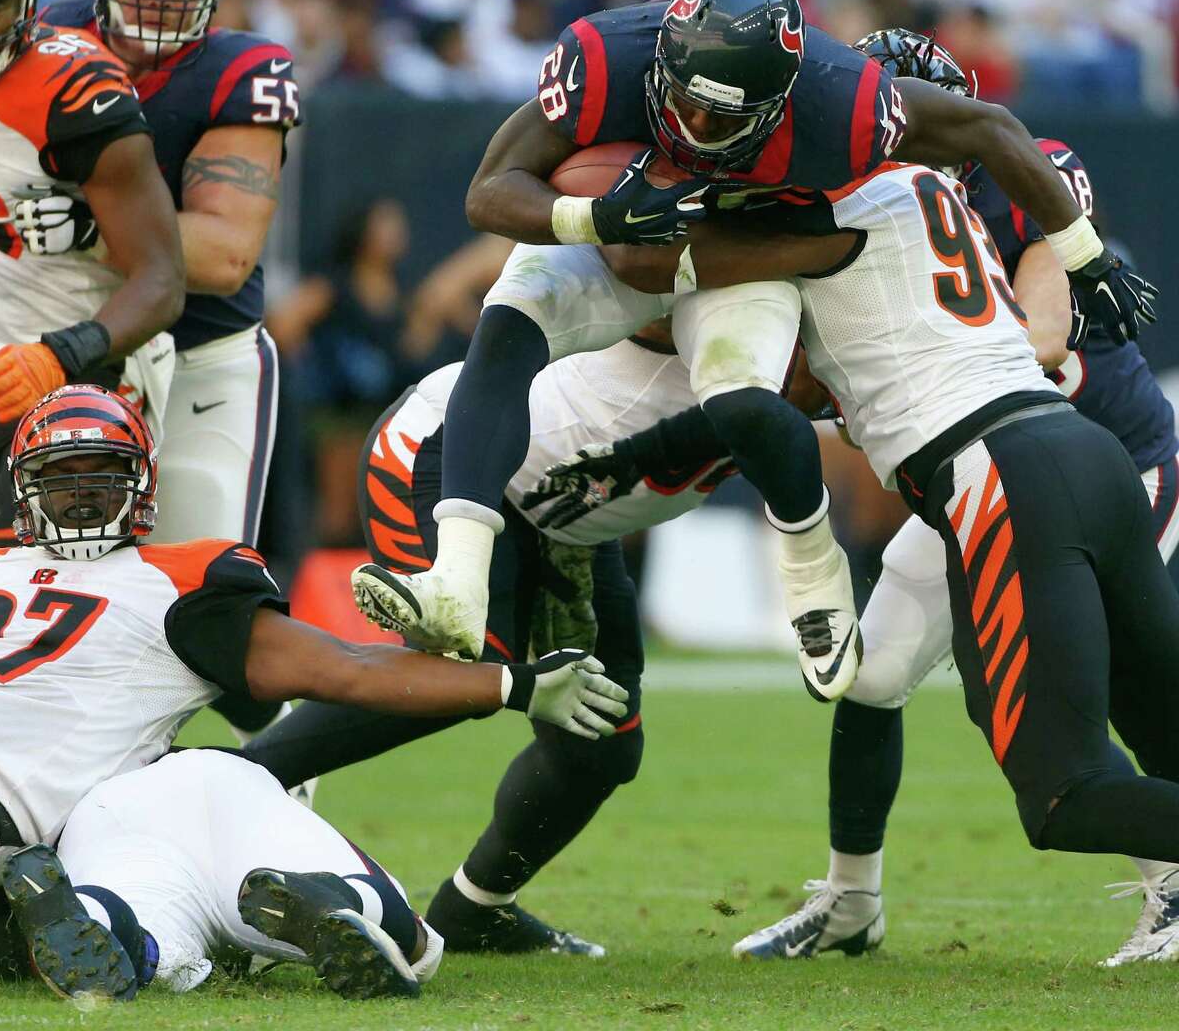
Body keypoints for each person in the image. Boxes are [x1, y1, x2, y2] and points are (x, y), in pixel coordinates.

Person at [351, 0, 1149, 697]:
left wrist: (1082, 254)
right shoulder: (609, 56)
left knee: (744, 401)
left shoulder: (845, 105)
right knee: (510, 313)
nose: (693, 122)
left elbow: (985, 130)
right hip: (623, 218)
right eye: (683, 95)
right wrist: (593, 213)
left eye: (718, 112)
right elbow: (489, 192)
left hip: (742, 257)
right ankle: (457, 574)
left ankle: (811, 566)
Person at [534, 92, 1179, 959]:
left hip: (1022, 475)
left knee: (1066, 792)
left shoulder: (836, 210)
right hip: (1062, 456)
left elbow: (718, 330)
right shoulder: (939, 194)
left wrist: (616, 217)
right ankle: (850, 901)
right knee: (914, 687)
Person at [728, 30, 1179, 969]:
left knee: (1077, 751)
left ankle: (1169, 889)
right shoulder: (879, 208)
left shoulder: (1012, 181)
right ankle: (851, 902)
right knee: (881, 674)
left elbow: (1043, 336)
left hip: (1104, 460)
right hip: (994, 476)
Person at [0, 385, 628, 995]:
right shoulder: (176, 580)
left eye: (101, 474)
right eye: (69, 477)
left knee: (132, 901)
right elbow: (347, 668)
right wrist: (514, 685)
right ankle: (341, 903)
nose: (84, 495)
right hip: (31, 824)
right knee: (402, 938)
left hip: (39, 826)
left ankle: (105, 924)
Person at [246, 316, 833, 957]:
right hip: (450, 457)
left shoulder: (780, 391)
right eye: (826, 358)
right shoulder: (703, 328)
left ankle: (476, 908)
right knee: (465, 666)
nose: (836, 381)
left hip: (562, 518)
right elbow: (656, 289)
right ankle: (239, 777)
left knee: (601, 740)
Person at [24, 0, 304, 757]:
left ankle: (283, 779)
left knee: (206, 598)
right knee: (37, 580)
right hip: (64, 354)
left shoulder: (242, 69)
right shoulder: (39, 42)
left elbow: (220, 254)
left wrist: (82, 218)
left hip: (202, 356)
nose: (163, 4)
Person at [0, 0, 184, 540]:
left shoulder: (72, 89)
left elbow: (161, 279)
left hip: (73, 375)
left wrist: (62, 354)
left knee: (16, 592)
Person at [2, 750, 444, 1001]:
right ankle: (336, 896)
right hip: (229, 788)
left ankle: (93, 913)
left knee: (152, 942)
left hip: (110, 808)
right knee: (415, 943)